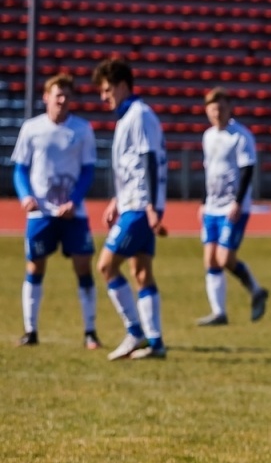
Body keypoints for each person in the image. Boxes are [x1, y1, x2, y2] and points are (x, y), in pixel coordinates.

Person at [11, 74, 100, 348]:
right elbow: (20, 168)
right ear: (46, 97)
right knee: (35, 266)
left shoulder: (83, 130)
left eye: (66, 95)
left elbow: (87, 170)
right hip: (40, 213)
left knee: (83, 267)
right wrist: (26, 196)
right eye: (57, 94)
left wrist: (74, 200)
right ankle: (31, 330)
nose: (61, 100)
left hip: (73, 213)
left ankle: (90, 332)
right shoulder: (31, 128)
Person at [93, 59, 169, 361]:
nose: (104, 96)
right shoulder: (130, 116)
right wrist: (116, 199)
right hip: (132, 202)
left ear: (123, 85)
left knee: (106, 266)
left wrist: (149, 207)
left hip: (139, 206)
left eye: (108, 89)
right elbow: (131, 165)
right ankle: (155, 342)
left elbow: (149, 160)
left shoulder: (139, 115)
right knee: (140, 272)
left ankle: (135, 331)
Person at [195, 88, 269, 325]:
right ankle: (219, 313)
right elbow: (209, 172)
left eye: (221, 108)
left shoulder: (240, 136)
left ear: (230, 108)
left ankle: (256, 290)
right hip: (212, 207)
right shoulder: (208, 136)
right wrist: (203, 202)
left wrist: (237, 202)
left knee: (225, 258)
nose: (216, 114)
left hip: (231, 207)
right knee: (210, 259)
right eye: (212, 109)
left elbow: (248, 170)